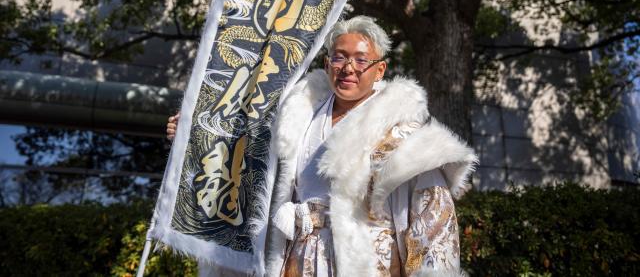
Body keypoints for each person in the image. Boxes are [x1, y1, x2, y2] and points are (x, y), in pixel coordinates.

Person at [167, 16, 477, 277]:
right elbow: (246, 162)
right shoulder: (296, 117)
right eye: (340, 57)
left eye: (360, 59)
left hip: (368, 262)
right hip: (296, 257)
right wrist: (196, 137)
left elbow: (434, 222)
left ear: (379, 69)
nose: (348, 68)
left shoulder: (404, 133)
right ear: (328, 63)